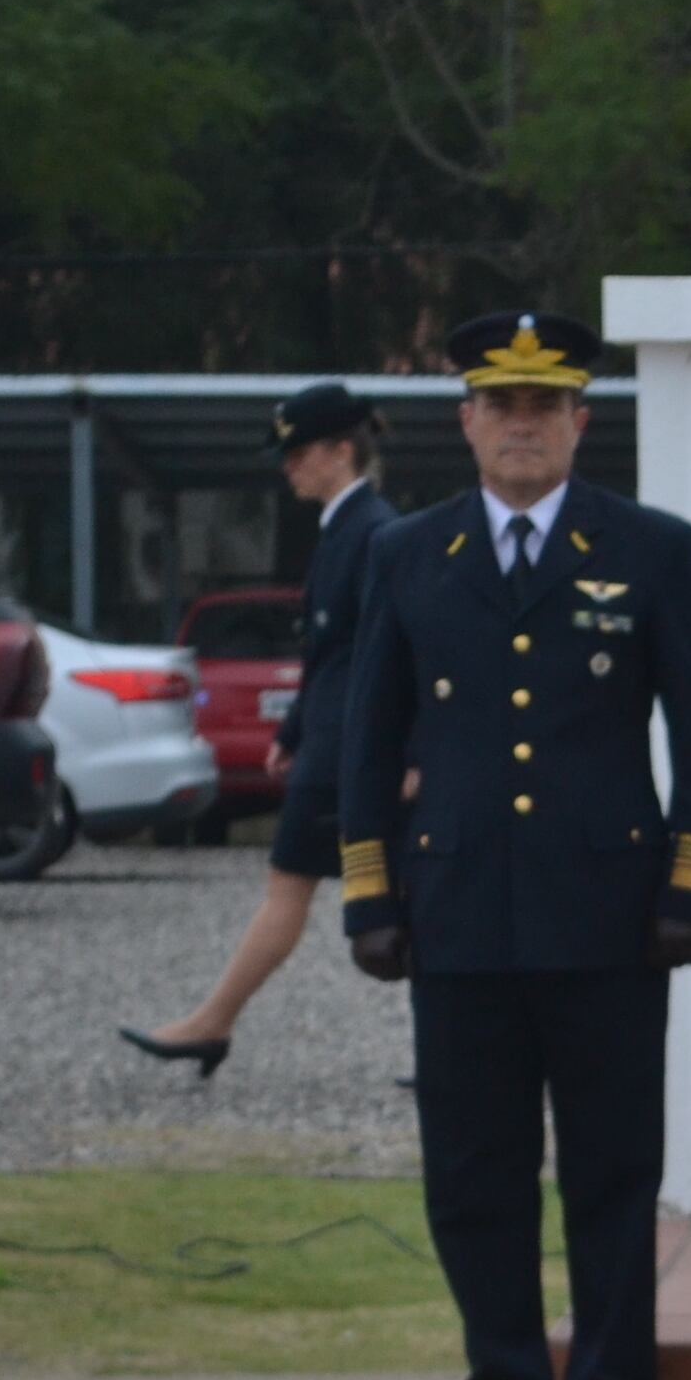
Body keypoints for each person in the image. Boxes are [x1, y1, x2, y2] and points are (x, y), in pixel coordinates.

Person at [338, 311, 691, 1380]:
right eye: (501, 407)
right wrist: (370, 895)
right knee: (474, 1178)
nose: (523, 427)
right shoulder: (408, 555)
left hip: (611, 917)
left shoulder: (651, 548)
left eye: (545, 407)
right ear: (466, 421)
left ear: (580, 421)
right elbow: (366, 739)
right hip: (458, 916)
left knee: (613, 1175)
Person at [120, 383, 391, 1074]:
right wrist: (295, 731)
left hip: (356, 748)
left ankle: (212, 1023)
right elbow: (327, 650)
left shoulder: (373, 533)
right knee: (378, 894)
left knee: (334, 890)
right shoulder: (344, 528)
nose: (288, 466)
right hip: (334, 743)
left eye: (300, 451)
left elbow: (390, 655)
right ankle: (211, 1022)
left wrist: (396, 750)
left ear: (341, 450)